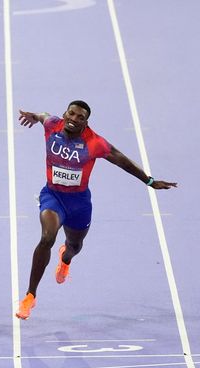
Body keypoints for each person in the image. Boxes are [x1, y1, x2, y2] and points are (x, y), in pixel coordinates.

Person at [15, 100, 177, 320]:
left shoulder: (94, 143)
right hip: (52, 196)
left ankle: (66, 259)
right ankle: (29, 296)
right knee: (46, 237)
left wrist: (149, 181)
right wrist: (34, 116)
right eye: (71, 114)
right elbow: (43, 115)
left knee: (75, 245)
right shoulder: (52, 124)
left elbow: (121, 160)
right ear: (64, 114)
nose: (73, 119)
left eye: (80, 117)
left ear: (86, 122)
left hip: (79, 204)